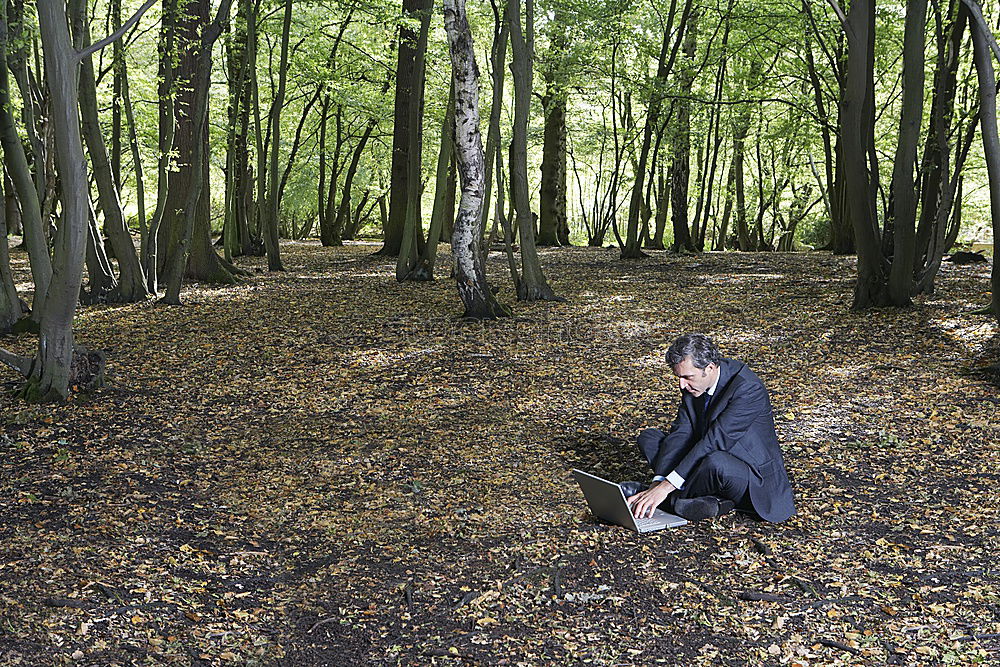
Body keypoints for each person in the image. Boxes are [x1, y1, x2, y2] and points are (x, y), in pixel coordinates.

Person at [624, 333, 795, 523]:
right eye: (679, 377)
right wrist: (658, 482)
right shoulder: (693, 384)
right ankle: (697, 500)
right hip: (705, 455)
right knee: (649, 438)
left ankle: (671, 501)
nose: (682, 384)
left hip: (749, 474)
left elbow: (715, 441)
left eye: (687, 377)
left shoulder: (748, 389)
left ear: (710, 368)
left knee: (716, 463)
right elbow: (681, 433)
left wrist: (665, 488)